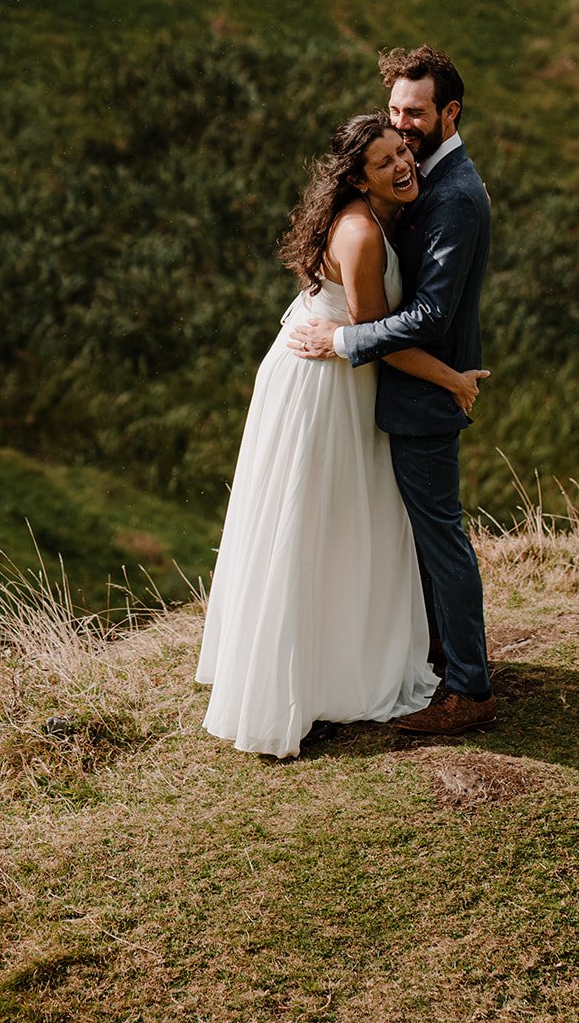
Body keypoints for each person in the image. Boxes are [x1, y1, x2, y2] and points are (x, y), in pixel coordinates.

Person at [195, 112, 486, 759]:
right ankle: (305, 684)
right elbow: (372, 339)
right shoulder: (360, 235)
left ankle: (332, 663)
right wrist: (450, 379)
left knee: (336, 529)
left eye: (401, 152)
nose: (401, 164)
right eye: (384, 162)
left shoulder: (382, 215)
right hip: (321, 391)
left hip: (336, 382)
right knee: (313, 529)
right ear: (357, 177)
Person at [289, 46, 496, 737]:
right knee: (413, 537)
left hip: (420, 398)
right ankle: (435, 657)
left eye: (415, 114)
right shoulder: (414, 185)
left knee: (440, 538)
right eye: (395, 113)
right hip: (397, 390)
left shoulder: (456, 195)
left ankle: (468, 688)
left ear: (449, 112)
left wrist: (342, 341)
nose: (403, 129)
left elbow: (431, 315)